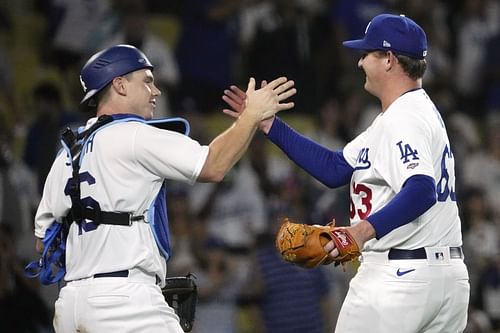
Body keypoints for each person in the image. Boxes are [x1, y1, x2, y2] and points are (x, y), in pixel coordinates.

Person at [223, 13, 470, 333]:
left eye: (367, 53)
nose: (359, 62)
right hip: (445, 280)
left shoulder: (403, 118)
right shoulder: (407, 114)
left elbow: (421, 188)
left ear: (389, 60)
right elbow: (335, 169)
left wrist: (360, 232)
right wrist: (267, 124)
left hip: (399, 278)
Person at [32, 44, 295, 333]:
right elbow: (214, 166)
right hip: (124, 301)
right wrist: (251, 117)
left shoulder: (68, 152)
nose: (156, 90)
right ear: (119, 85)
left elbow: (43, 243)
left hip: (71, 304)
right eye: (146, 81)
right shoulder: (135, 135)